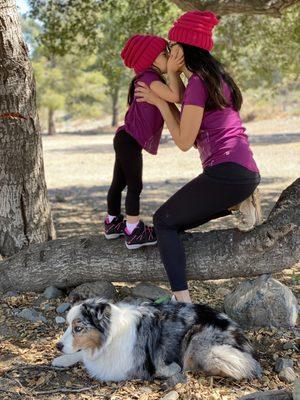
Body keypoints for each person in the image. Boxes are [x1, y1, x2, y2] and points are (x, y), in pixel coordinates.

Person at [135, 11, 261, 302]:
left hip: (226, 173)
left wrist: (159, 103)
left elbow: (182, 141)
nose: (167, 51)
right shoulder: (214, 78)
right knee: (176, 221)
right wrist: (171, 76)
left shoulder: (197, 84)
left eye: (170, 46)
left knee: (163, 221)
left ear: (181, 49)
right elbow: (183, 111)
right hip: (241, 172)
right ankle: (237, 202)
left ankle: (183, 304)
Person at [105, 34, 185, 249]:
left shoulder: (149, 77)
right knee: (134, 185)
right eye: (163, 55)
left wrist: (169, 70)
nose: (167, 57)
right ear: (150, 60)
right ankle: (133, 231)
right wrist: (173, 70)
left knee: (119, 183)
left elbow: (176, 97)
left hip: (125, 139)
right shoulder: (150, 79)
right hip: (128, 140)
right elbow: (176, 96)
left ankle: (112, 223)